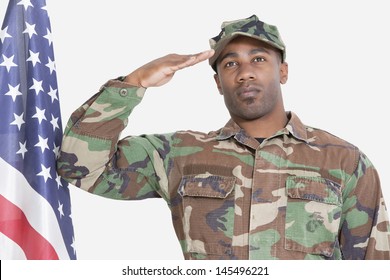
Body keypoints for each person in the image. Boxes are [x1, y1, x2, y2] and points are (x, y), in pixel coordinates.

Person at [57, 15, 390, 260]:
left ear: (282, 71)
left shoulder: (344, 161)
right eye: (230, 64)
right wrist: (135, 82)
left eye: (258, 59)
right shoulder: (180, 154)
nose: (245, 72)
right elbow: (80, 167)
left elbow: (374, 263)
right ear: (218, 83)